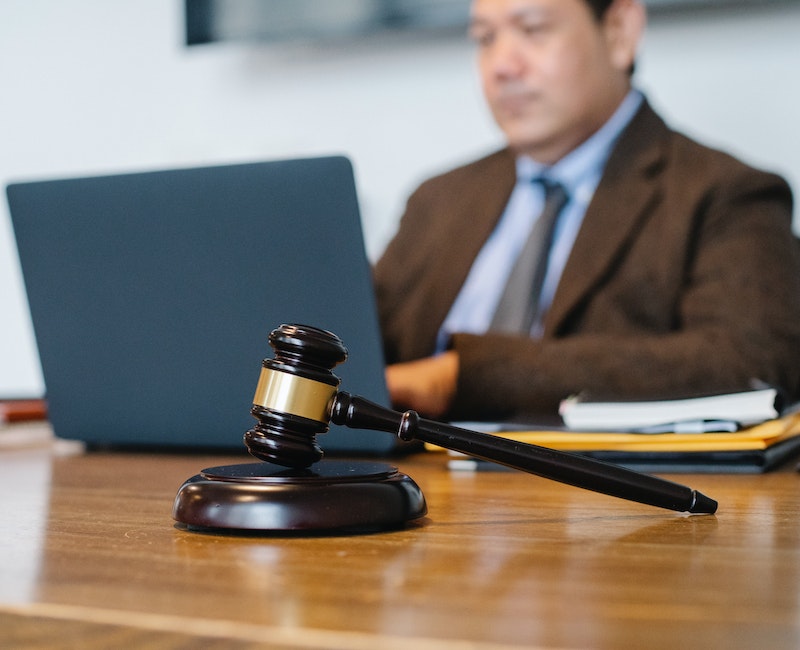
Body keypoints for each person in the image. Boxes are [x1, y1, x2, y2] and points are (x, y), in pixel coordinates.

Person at [373, 0, 800, 423]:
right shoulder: (437, 200)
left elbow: (750, 360)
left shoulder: (724, 193)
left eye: (533, 29)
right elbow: (352, 345)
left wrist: (463, 376)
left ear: (619, 32)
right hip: (402, 480)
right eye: (485, 38)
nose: (501, 65)